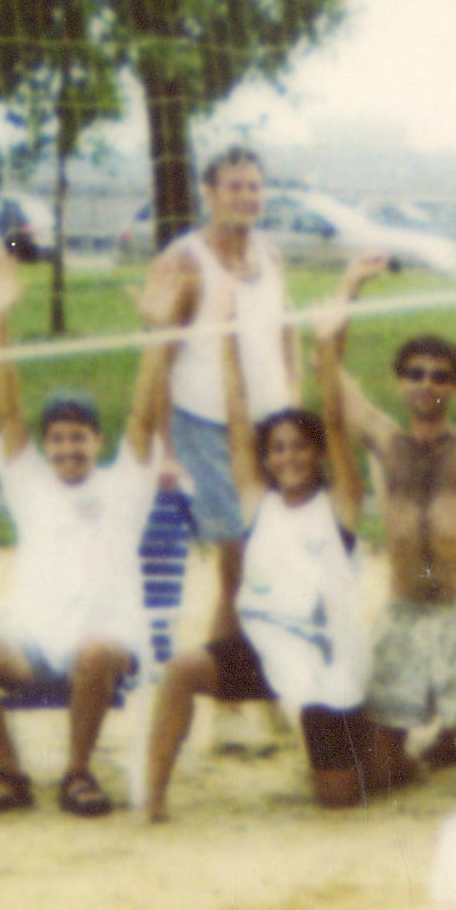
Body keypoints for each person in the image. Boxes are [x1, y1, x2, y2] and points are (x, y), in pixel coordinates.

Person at [0, 251, 169, 817]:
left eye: (79, 438)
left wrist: (156, 336)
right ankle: (9, 771)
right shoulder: (31, 484)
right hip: (33, 647)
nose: (67, 449)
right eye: (57, 439)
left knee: (96, 649)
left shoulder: (125, 485)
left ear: (97, 441)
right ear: (46, 446)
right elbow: (10, 413)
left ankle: (78, 772)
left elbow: (142, 417)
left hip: (102, 645)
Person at [140, 292, 385, 825]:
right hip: (266, 653)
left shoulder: (338, 505)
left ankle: (382, 746)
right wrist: (227, 338)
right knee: (182, 668)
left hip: (326, 665)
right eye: (277, 448)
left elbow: (338, 425)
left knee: (342, 797)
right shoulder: (259, 502)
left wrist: (325, 348)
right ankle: (152, 798)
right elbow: (235, 419)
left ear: (316, 453)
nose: (289, 457)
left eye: (300, 446)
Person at [319, 249, 456, 785]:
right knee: (382, 775)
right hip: (402, 616)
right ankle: (444, 728)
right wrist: (350, 284)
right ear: (399, 381)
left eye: (439, 376)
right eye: (415, 374)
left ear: (454, 386)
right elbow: (327, 366)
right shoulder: (383, 441)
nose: (426, 384)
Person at [139, 147, 300, 651]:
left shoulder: (269, 255)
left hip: (269, 431)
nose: (246, 197)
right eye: (234, 187)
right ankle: (224, 683)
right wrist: (164, 451)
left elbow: (287, 330)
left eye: (254, 186)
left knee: (272, 561)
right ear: (209, 195)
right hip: (206, 432)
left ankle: (253, 679)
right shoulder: (185, 260)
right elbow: (157, 363)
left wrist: (293, 398)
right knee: (240, 568)